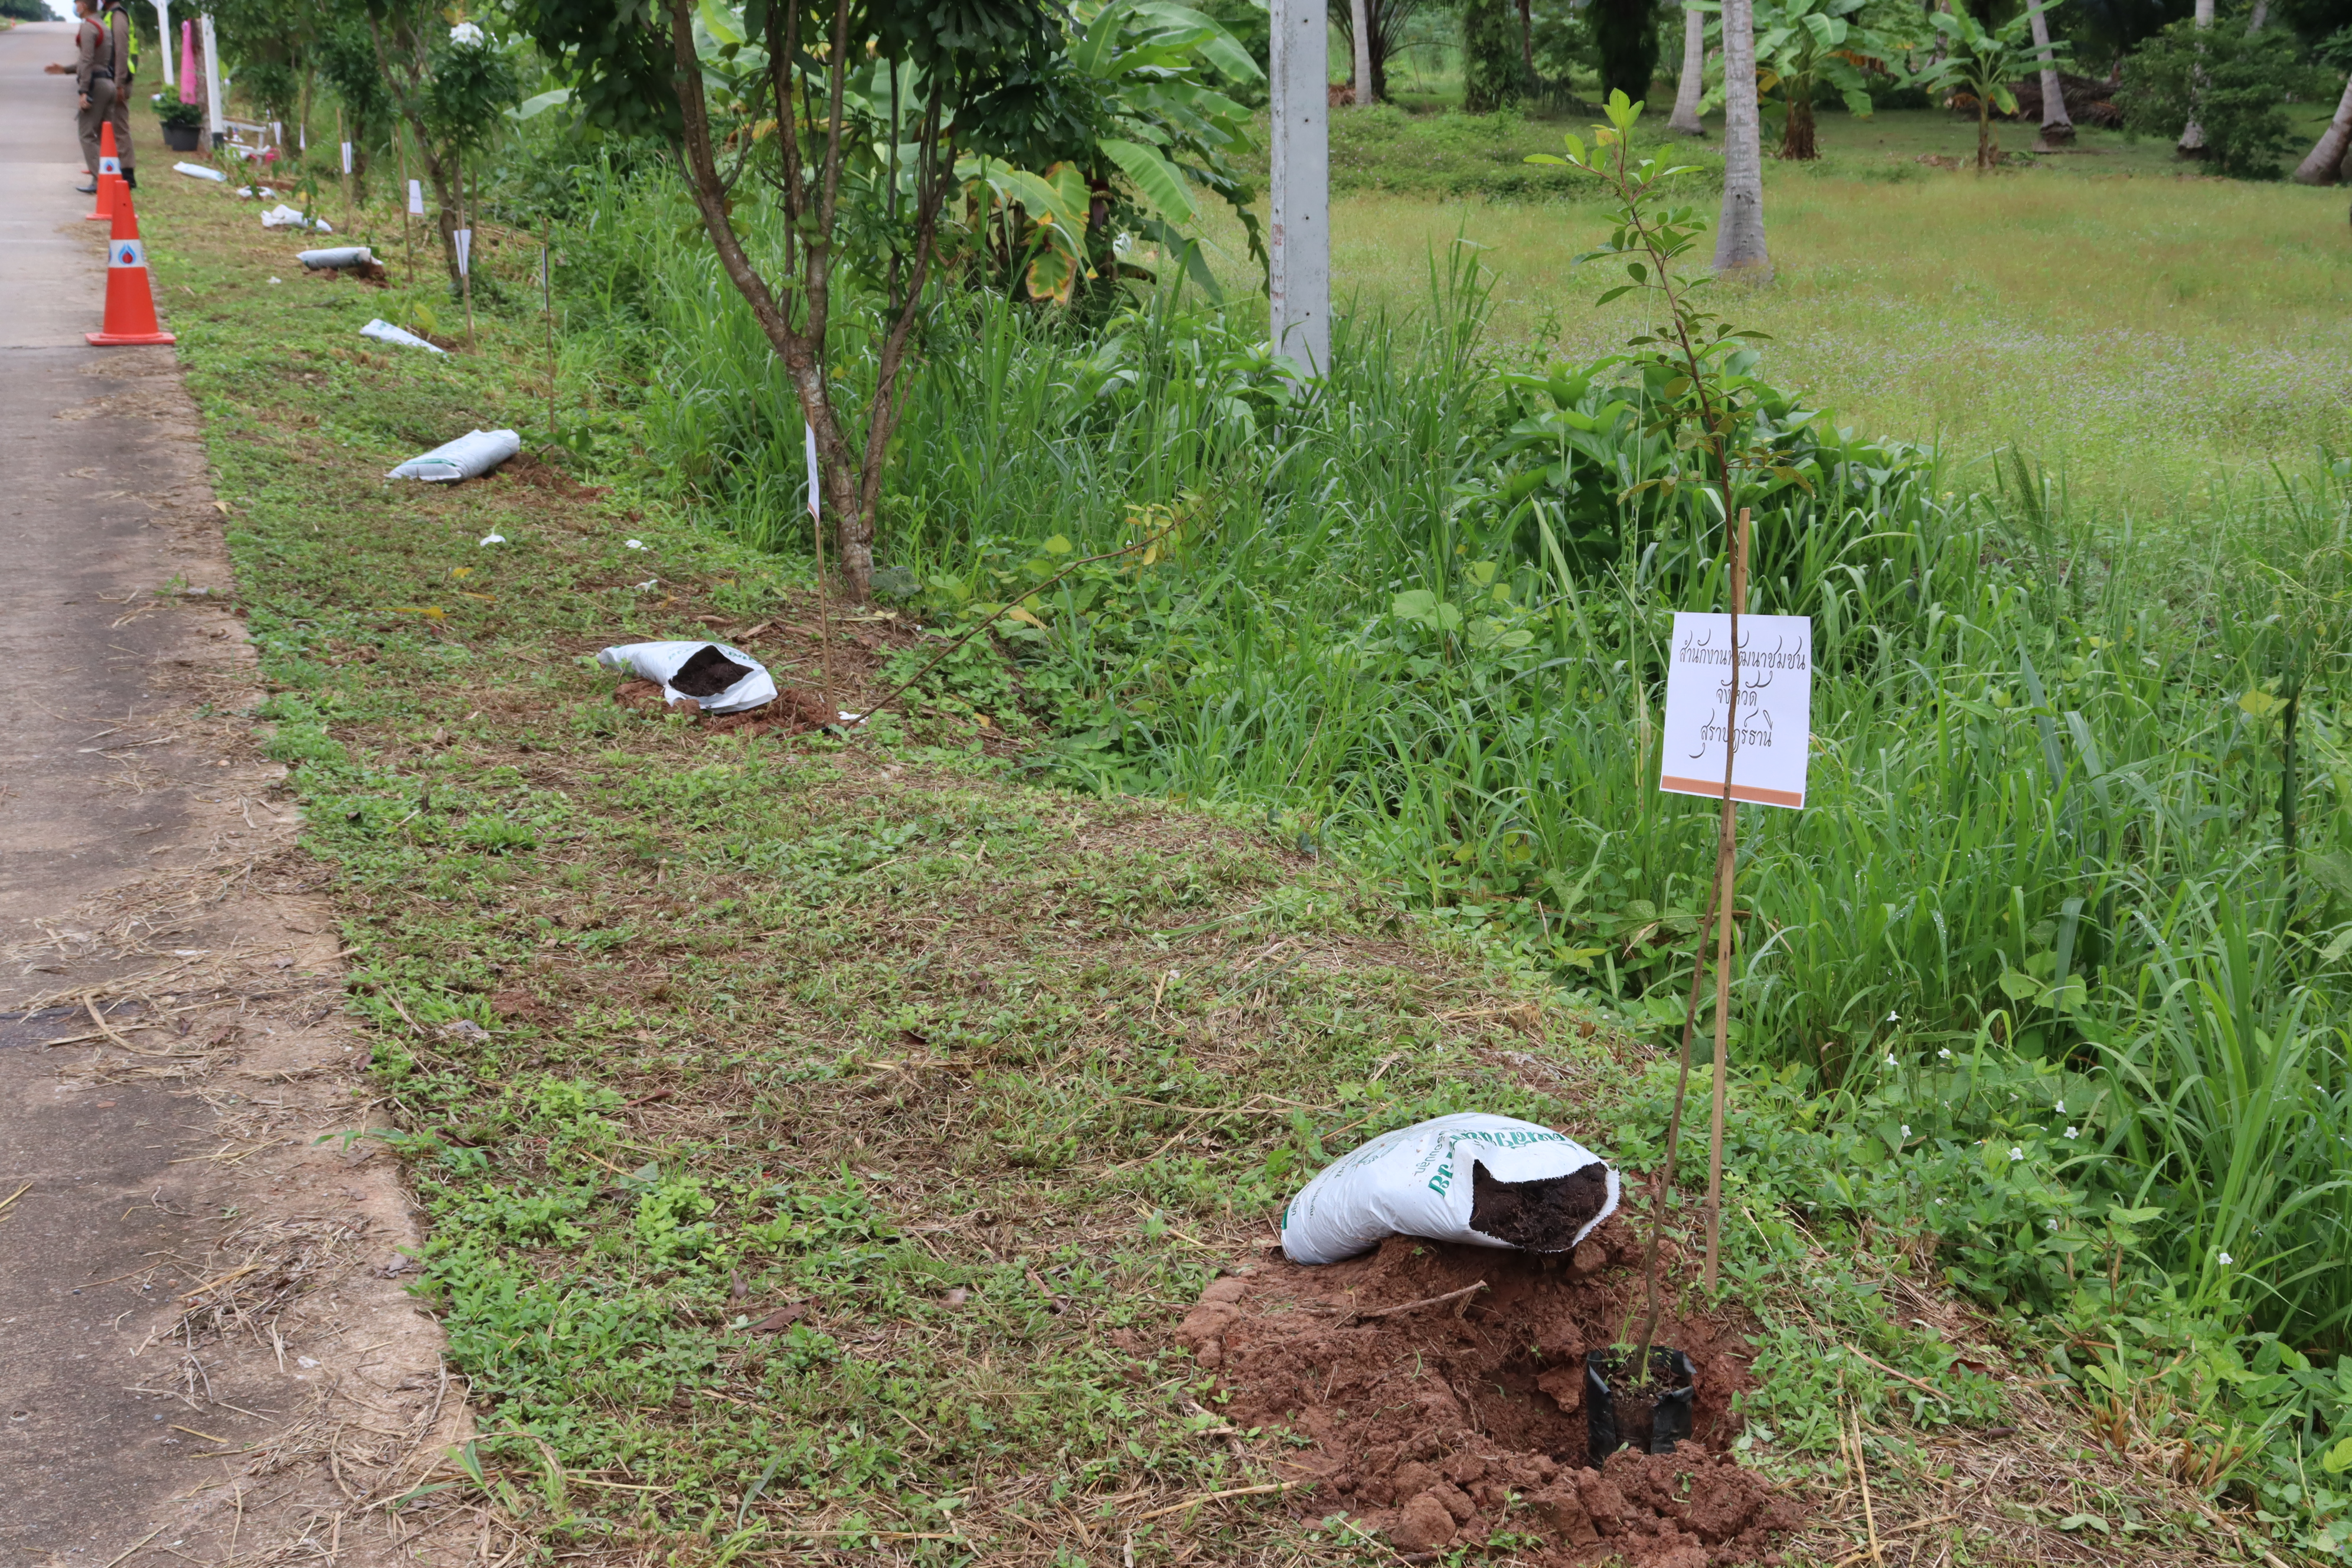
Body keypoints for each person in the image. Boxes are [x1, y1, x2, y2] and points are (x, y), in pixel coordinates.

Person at [100, 0, 139, 190]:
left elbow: (122, 51)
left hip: (119, 80)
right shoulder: (111, 15)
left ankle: (127, 174)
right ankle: (118, 170)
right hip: (115, 78)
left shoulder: (118, 16)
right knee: (115, 125)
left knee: (120, 125)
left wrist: (119, 84)